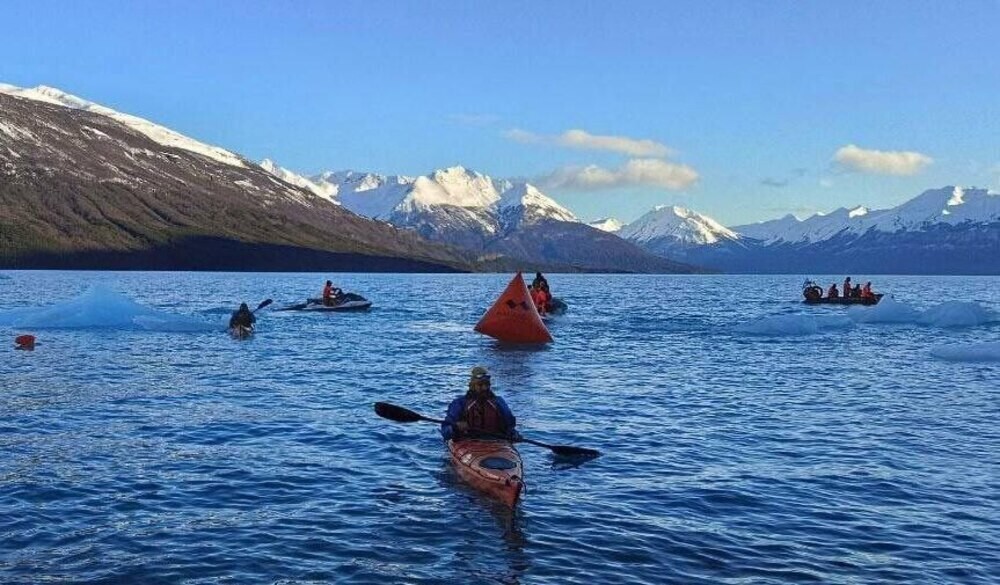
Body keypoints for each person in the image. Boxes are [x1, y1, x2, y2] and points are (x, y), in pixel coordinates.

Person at [441, 366, 518, 441]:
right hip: (468, 441)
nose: (484, 388)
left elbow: (510, 426)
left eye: (487, 384)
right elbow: (445, 432)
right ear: (472, 386)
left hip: (496, 441)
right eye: (480, 385)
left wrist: (514, 434)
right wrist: (455, 427)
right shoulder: (460, 403)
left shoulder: (498, 402)